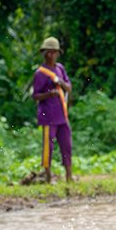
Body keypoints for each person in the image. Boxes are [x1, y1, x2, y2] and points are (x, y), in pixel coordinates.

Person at [31, 37, 73, 183]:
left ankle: (69, 176)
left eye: (54, 52)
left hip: (62, 114)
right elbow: (35, 96)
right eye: (49, 52)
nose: (52, 55)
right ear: (45, 54)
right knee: (48, 146)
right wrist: (49, 94)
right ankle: (48, 177)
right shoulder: (40, 73)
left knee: (67, 145)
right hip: (48, 116)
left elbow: (69, 87)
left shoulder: (60, 69)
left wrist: (60, 83)